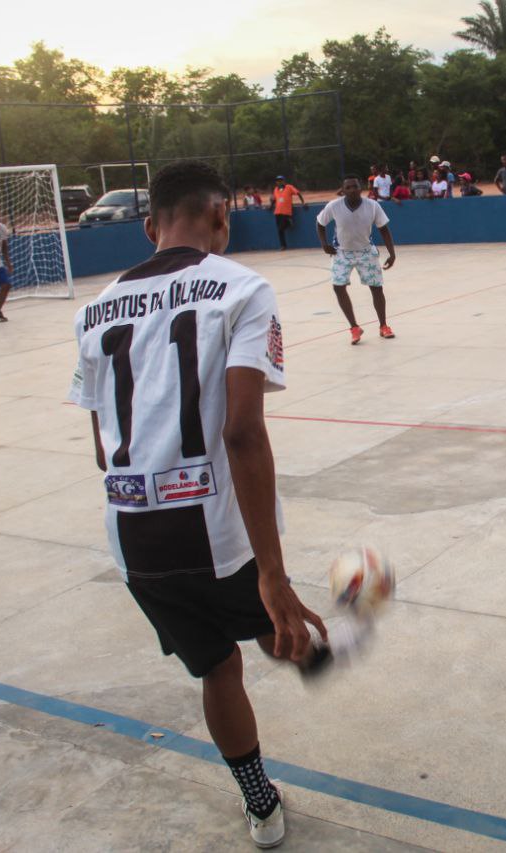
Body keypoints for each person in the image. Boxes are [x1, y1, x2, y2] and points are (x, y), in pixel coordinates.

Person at [68, 160, 332, 849]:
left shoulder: (92, 309)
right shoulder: (242, 288)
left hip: (134, 538)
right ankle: (318, 648)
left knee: (217, 665)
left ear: (150, 226)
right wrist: (272, 569)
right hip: (215, 534)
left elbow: (103, 449)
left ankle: (259, 802)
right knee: (277, 625)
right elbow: (242, 430)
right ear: (221, 217)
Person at [316, 175, 397, 345]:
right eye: (348, 187)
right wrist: (324, 244)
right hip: (341, 252)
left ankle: (383, 326)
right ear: (343, 191)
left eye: (355, 187)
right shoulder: (334, 206)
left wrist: (391, 253)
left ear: (361, 189)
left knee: (376, 288)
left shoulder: (372, 206)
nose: (352, 190)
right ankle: (354, 327)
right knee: (338, 286)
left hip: (366, 251)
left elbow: (384, 229)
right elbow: (320, 223)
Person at [271, 176, 307, 251]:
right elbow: (274, 199)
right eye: (278, 181)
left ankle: (288, 222)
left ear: (284, 181)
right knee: (279, 230)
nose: (279, 182)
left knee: (281, 229)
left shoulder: (289, 187)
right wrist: (270, 206)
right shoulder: (275, 189)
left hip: (286, 212)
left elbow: (298, 193)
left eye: (281, 180)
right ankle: (283, 245)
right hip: (277, 212)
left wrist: (303, 202)